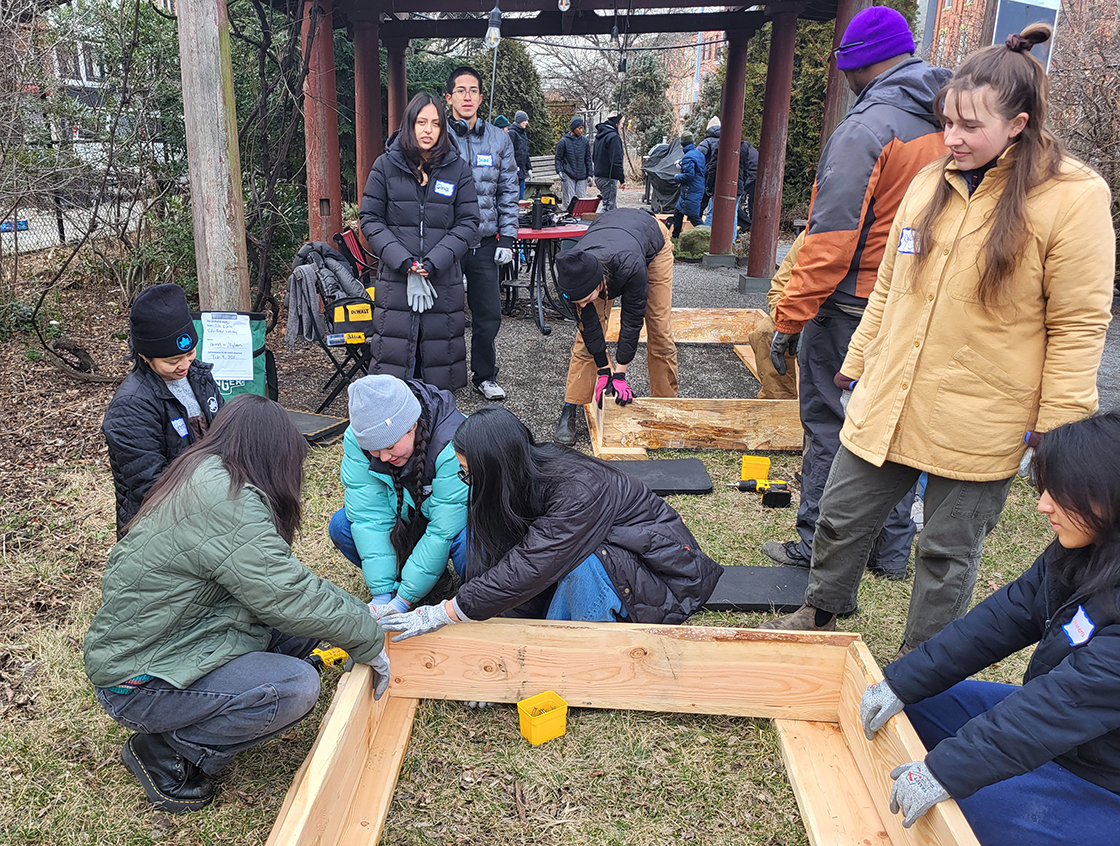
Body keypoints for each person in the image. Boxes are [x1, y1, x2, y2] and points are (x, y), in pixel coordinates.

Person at [763, 25, 1116, 656]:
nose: (950, 138)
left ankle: (922, 663)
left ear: (1018, 124)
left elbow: (1078, 323)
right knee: (841, 515)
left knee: (947, 550)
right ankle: (821, 607)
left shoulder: (1073, 197)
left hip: (984, 409)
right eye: (945, 120)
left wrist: (1059, 428)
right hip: (893, 391)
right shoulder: (932, 180)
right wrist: (858, 359)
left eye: (968, 127)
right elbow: (893, 288)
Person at [84, 395, 389, 814]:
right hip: (139, 682)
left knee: (306, 630)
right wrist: (368, 636)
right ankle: (168, 749)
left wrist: (359, 615)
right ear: (273, 453)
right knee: (294, 686)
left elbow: (285, 581)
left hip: (175, 640)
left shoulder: (206, 472)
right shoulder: (225, 500)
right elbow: (286, 594)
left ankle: (197, 713)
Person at [859, 411, 1120, 845]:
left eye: (1061, 492)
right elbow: (1009, 614)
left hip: (1103, 773)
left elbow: (1065, 702)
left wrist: (944, 773)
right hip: (1067, 735)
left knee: (960, 813)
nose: (1042, 505)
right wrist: (902, 683)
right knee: (915, 708)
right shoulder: (1085, 549)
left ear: (1108, 496)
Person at [761, 6, 950, 574]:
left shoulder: (866, 129)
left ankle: (816, 544)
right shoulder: (950, 120)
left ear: (856, 63)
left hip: (850, 305)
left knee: (827, 425)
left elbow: (831, 240)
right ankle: (890, 553)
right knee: (890, 425)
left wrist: (789, 319)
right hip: (916, 302)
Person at [378, 406, 722, 639]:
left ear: (496, 470)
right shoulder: (519, 478)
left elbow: (531, 565)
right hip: (607, 555)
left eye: (469, 473)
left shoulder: (578, 490)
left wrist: (445, 613)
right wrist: (485, 639)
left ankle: (556, 657)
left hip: (661, 572)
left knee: (583, 566)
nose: (464, 479)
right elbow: (507, 561)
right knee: (481, 535)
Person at [359, 92, 480, 392]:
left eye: (435, 123)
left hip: (443, 282)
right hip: (396, 281)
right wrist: (405, 262)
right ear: (409, 125)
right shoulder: (385, 166)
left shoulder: (457, 168)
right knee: (395, 371)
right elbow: (371, 219)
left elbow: (469, 222)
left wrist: (433, 262)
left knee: (440, 371)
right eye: (421, 122)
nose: (428, 130)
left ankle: (436, 431)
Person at [328, 374, 469, 616]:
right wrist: (383, 595)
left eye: (391, 446)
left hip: (455, 523)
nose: (383, 458)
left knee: (468, 541)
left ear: (412, 425)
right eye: (374, 449)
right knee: (342, 525)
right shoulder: (357, 439)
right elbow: (369, 517)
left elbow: (442, 531)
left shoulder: (454, 443)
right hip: (407, 518)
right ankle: (432, 582)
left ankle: (473, 595)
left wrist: (404, 600)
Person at [102, 283, 224, 539]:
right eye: (171, 361)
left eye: (189, 353)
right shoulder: (131, 406)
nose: (184, 366)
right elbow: (150, 484)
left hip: (210, 506)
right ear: (145, 356)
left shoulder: (199, 376)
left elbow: (223, 431)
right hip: (161, 524)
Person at [550, 208, 678, 446]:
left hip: (651, 240)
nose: (582, 304)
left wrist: (619, 374)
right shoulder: (575, 269)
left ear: (597, 282)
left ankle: (666, 407)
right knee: (583, 340)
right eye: (577, 301)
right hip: (609, 233)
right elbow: (589, 326)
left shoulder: (630, 265)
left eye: (587, 298)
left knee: (659, 329)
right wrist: (603, 369)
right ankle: (571, 407)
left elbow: (632, 320)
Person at [444, 67, 520, 401]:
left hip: (486, 242)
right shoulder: (436, 135)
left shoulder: (499, 139)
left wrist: (508, 237)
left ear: (479, 96)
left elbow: (508, 191)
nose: (467, 96)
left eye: (473, 90)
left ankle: (485, 376)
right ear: (449, 98)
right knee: (444, 313)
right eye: (460, 90)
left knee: (488, 313)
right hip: (445, 242)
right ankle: (442, 378)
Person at [746, 232, 803, 400]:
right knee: (767, 331)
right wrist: (789, 323)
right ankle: (779, 402)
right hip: (806, 314)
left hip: (851, 319)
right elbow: (780, 288)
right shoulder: (809, 236)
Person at [671, 132, 705, 237]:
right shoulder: (699, 154)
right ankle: (675, 236)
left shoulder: (688, 157)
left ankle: (707, 235)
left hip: (690, 191)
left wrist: (676, 177)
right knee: (678, 212)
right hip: (696, 188)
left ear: (682, 144)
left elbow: (688, 176)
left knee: (694, 217)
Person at [555, 115, 592, 209]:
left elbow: (588, 158)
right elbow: (558, 158)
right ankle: (567, 217)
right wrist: (559, 171)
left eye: (582, 128)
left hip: (582, 174)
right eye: (579, 128)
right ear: (574, 128)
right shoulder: (563, 142)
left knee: (581, 199)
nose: (581, 130)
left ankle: (579, 218)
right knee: (568, 200)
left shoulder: (584, 141)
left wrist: (590, 174)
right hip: (568, 173)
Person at [592, 114, 625, 212]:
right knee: (608, 208)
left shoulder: (600, 136)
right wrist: (622, 179)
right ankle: (602, 226)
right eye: (622, 123)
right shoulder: (613, 137)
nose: (622, 126)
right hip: (608, 177)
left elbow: (594, 157)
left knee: (612, 207)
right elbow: (616, 161)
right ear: (616, 123)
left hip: (598, 175)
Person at [696, 116, 721, 219]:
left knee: (702, 202)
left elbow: (697, 155)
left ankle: (696, 223)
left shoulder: (707, 142)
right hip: (721, 175)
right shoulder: (724, 141)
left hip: (707, 175)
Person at [509, 110, 531, 200]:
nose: (527, 123)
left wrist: (529, 167)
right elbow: (509, 153)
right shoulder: (512, 133)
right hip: (513, 171)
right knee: (513, 196)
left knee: (521, 196)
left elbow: (525, 152)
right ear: (519, 121)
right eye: (525, 120)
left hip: (522, 170)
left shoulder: (523, 134)